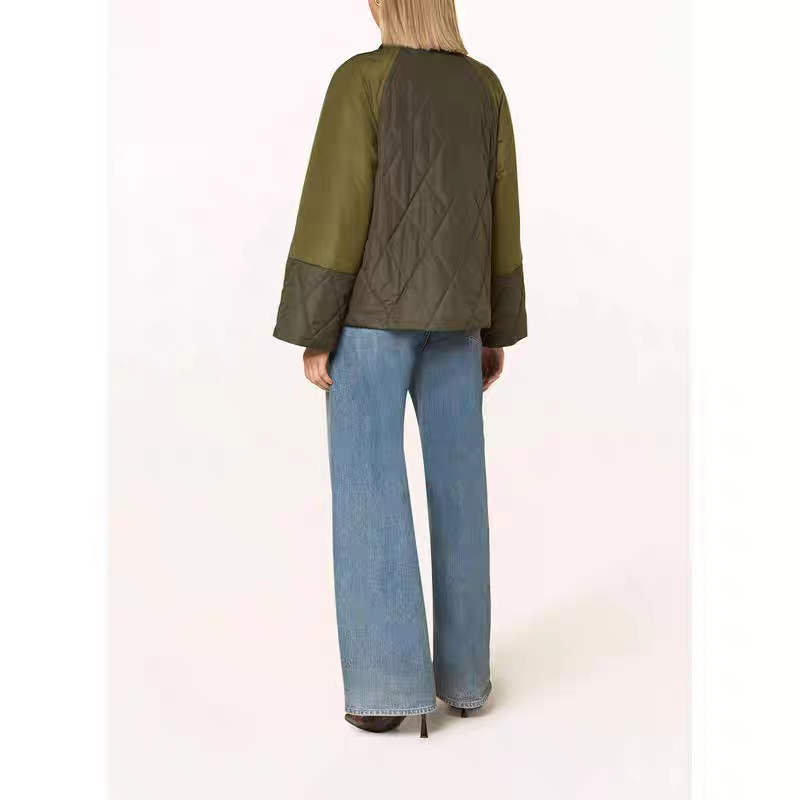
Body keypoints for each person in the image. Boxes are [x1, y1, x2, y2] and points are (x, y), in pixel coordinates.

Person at [273, 0, 526, 738]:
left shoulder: (362, 80)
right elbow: (502, 213)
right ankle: (466, 681)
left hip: (370, 325)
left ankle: (386, 691)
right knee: (461, 489)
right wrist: (495, 327)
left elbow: (336, 208)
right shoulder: (485, 88)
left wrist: (314, 329)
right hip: (459, 325)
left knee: (369, 489)